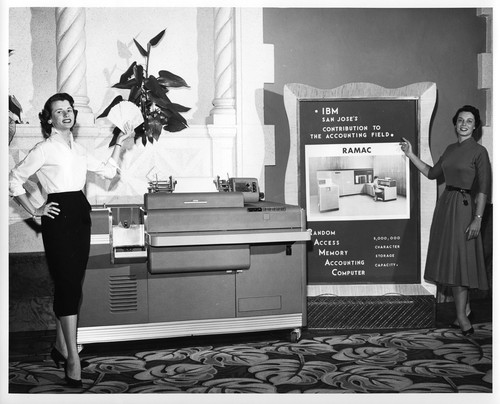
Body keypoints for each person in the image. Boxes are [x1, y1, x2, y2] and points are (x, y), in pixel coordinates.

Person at [9, 93, 134, 387]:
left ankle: (60, 348)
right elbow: (13, 179)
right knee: (66, 284)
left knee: (72, 284)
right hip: (58, 218)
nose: (66, 114)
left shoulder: (78, 149)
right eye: (59, 111)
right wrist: (35, 209)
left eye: (69, 110)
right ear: (49, 119)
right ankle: (72, 359)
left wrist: (118, 143)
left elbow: (107, 171)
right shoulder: (44, 149)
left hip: (80, 214)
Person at [400, 105, 491, 337]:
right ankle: (466, 308)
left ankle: (461, 316)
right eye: (460, 120)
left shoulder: (479, 152)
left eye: (469, 121)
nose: (464, 124)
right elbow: (432, 173)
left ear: (475, 126)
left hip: (465, 209)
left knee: (460, 264)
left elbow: (483, 189)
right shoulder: (451, 149)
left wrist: (478, 219)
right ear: (455, 123)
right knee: (451, 261)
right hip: (446, 206)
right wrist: (410, 154)